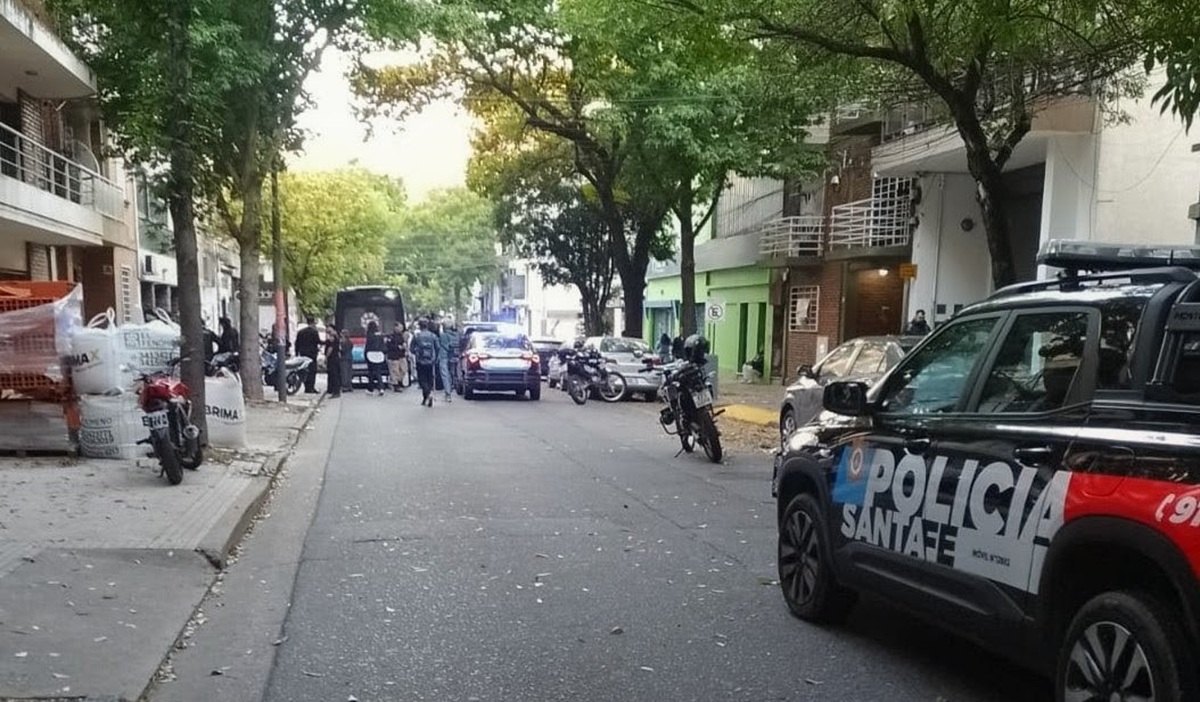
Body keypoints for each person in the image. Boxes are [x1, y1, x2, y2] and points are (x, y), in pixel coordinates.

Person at [410, 318, 441, 407]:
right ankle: (428, 394)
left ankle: (426, 394)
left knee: (422, 379)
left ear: (420, 326)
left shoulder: (417, 336)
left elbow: (411, 348)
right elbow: (438, 347)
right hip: (431, 360)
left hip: (420, 360)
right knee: (430, 378)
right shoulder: (433, 336)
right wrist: (436, 357)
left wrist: (416, 352)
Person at [295, 316, 322, 394]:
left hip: (303, 353)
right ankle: (311, 387)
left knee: (305, 370)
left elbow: (297, 343)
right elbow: (318, 341)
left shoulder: (301, 332)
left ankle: (306, 387)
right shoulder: (314, 332)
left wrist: (297, 353)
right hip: (312, 354)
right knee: (312, 371)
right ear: (313, 323)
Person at [437, 317, 460, 402]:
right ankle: (451, 388)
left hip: (444, 356)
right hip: (454, 357)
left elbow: (441, 346)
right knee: (452, 374)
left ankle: (448, 393)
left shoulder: (443, 335)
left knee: (445, 375)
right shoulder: (457, 335)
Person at [364, 321, 387, 396]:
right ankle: (381, 387)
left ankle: (371, 388)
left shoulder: (369, 335)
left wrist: (365, 355)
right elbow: (383, 345)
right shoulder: (380, 335)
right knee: (378, 372)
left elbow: (367, 346)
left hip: (370, 354)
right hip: (379, 354)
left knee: (371, 372)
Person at [386, 322, 409, 393]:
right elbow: (388, 345)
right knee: (395, 371)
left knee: (404, 369)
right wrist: (397, 347)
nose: (401, 329)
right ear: (395, 327)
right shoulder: (391, 336)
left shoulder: (402, 336)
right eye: (400, 327)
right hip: (393, 356)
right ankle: (396, 385)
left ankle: (399, 381)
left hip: (401, 355)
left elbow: (404, 343)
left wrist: (405, 347)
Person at [324, 324, 343, 398]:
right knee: (335, 374)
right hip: (335, 357)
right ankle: (334, 390)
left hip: (332, 358)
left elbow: (330, 348)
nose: (327, 330)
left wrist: (326, 357)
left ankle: (336, 392)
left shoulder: (333, 336)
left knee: (334, 375)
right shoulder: (337, 336)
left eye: (328, 329)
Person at [339, 326, 355, 393]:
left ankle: (344, 386)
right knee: (349, 372)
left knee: (344, 373)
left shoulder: (342, 342)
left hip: (344, 358)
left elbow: (342, 350)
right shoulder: (350, 342)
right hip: (350, 357)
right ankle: (349, 385)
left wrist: (339, 348)